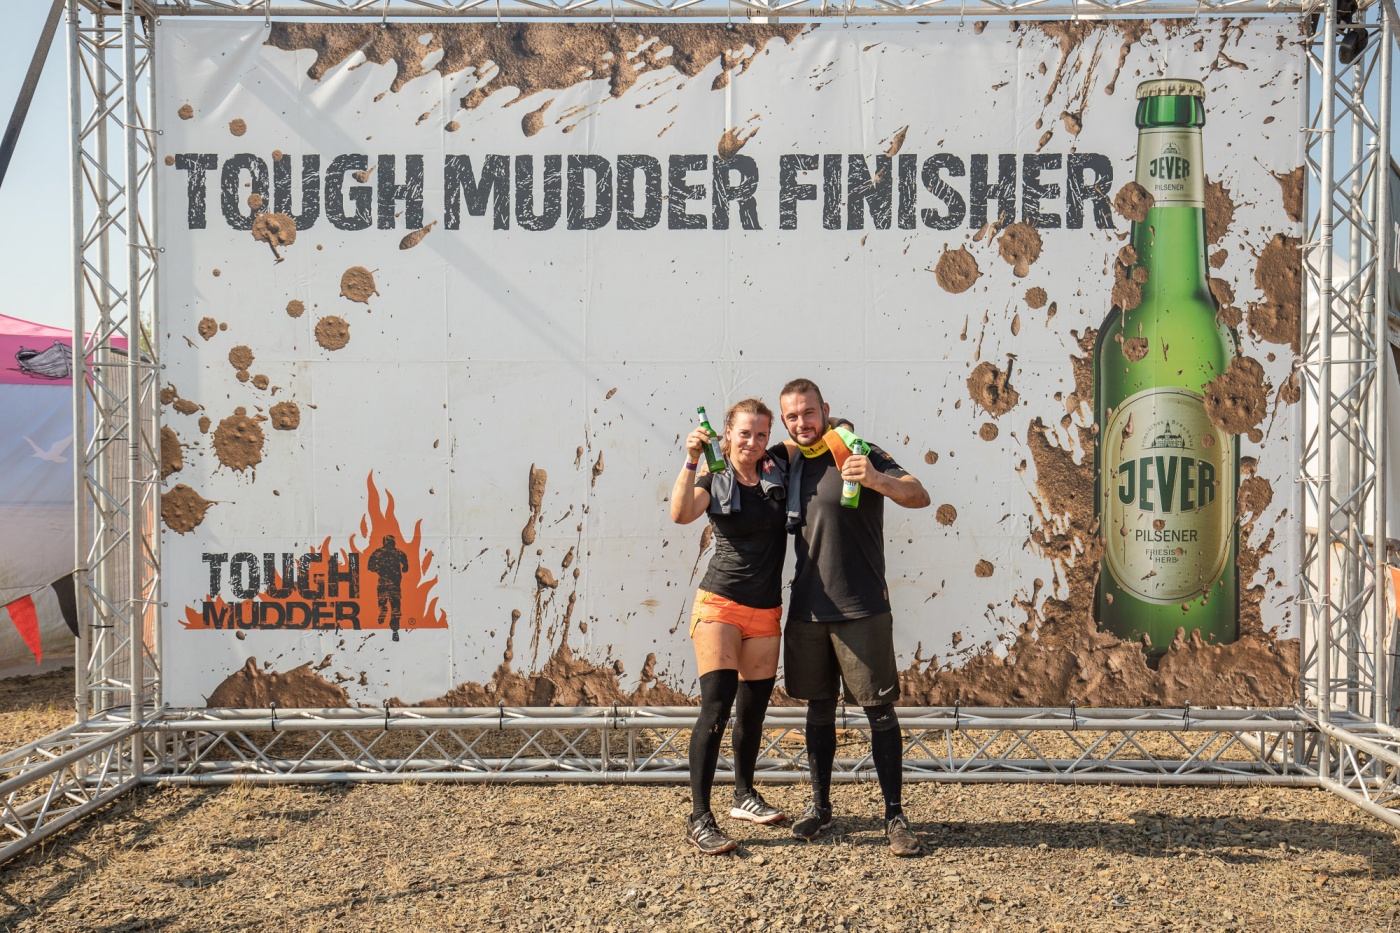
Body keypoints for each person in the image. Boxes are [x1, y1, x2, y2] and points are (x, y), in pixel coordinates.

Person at [774, 377, 931, 856]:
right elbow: (741, 456)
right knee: (818, 709)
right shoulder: (788, 460)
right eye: (792, 416)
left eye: (809, 412)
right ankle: (821, 808)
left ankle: (894, 815)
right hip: (808, 607)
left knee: (879, 712)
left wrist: (877, 480)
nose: (802, 422)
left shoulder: (859, 450)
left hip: (861, 605)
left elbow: (918, 494)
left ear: (825, 409)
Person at [670, 398, 789, 855]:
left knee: (753, 710)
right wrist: (690, 459)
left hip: (766, 608)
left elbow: (818, 435)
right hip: (720, 604)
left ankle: (743, 795)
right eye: (745, 434)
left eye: (761, 434)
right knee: (717, 706)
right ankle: (699, 818)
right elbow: (681, 513)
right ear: (727, 434)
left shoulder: (777, 467)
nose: (753, 443)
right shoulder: (713, 475)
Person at [367, 534, 409, 641]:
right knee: (395, 606)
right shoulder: (398, 552)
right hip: (395, 584)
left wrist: (379, 569)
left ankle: (383, 609)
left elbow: (370, 566)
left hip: (383, 583)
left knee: (382, 600)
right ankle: (395, 630)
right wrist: (404, 568)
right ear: (393, 542)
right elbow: (405, 564)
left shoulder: (378, 552)